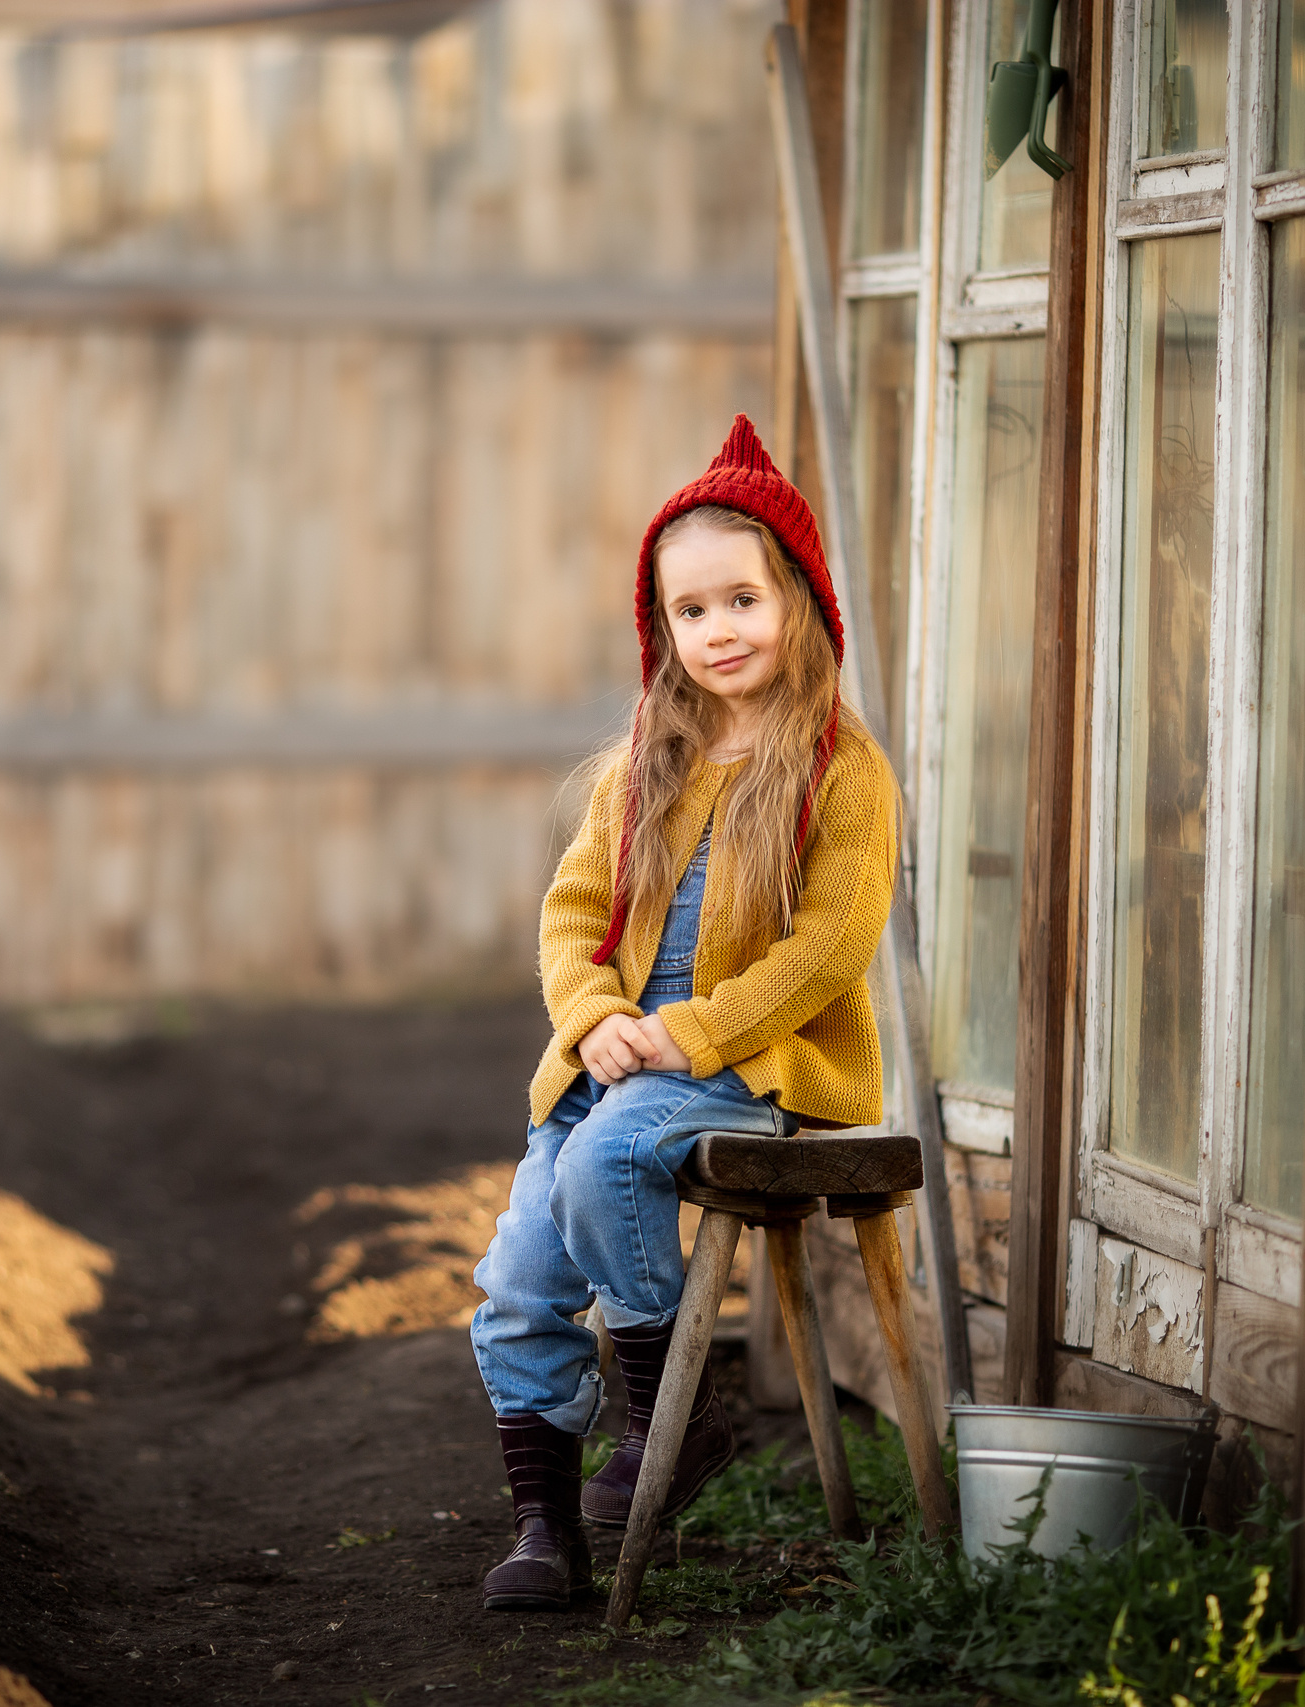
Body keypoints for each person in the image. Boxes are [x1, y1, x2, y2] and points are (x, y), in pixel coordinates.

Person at [468, 415, 899, 1611]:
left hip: (748, 1067)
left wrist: (691, 1035)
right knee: (515, 1276)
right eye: (689, 611)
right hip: (614, 1062)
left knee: (607, 1161)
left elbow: (829, 949)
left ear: (799, 602)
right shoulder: (640, 766)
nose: (717, 631)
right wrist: (593, 1016)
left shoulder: (837, 770)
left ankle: (676, 1412)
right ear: (660, 626)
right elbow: (572, 914)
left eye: (741, 601)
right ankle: (545, 1528)